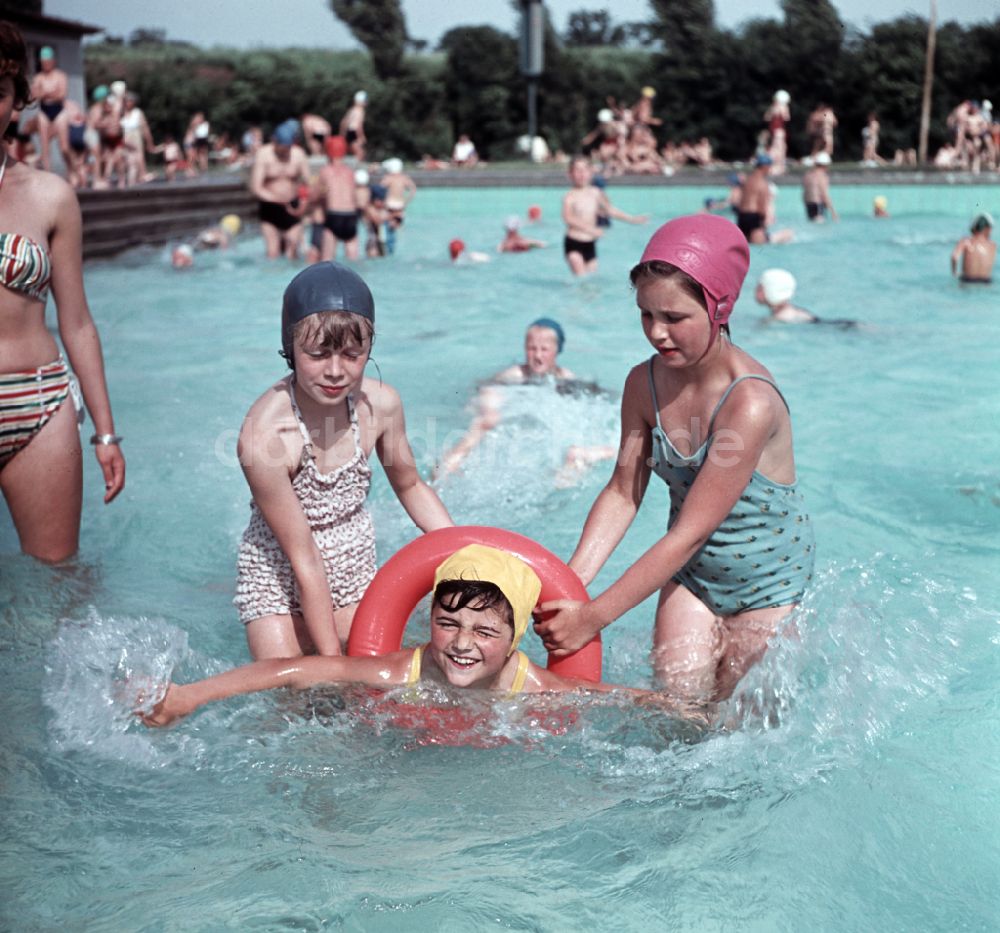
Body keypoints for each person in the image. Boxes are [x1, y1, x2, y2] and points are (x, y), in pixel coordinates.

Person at [534, 215, 815, 704]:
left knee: (738, 734)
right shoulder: (642, 385)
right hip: (694, 579)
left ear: (719, 307)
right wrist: (571, 586)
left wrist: (594, 618)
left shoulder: (748, 401)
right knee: (676, 716)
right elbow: (623, 492)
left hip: (769, 588)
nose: (657, 333)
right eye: (646, 315)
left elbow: (691, 532)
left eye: (674, 317)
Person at [140, 544, 703, 728]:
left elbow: (600, 696)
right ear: (429, 620)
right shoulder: (403, 670)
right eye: (448, 623)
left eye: (485, 631)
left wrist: (668, 707)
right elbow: (295, 670)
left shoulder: (526, 682)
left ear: (512, 641)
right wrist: (191, 694)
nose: (461, 643)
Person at [234, 262, 452, 661]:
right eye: (318, 354)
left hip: (353, 570)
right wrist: (332, 663)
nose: (335, 371)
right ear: (290, 347)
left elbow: (410, 486)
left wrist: (464, 554)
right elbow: (304, 559)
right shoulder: (266, 437)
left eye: (353, 355)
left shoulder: (381, 405)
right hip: (280, 579)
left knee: (371, 694)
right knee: (293, 702)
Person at [0, 22, 125, 561]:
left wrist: (105, 432)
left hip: (40, 403)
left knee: (56, 586)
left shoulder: (51, 195)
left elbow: (76, 321)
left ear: (14, 103)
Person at [562, 155, 648, 275]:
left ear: (591, 172)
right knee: (580, 276)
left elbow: (610, 210)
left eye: (585, 169)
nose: (581, 173)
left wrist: (632, 219)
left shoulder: (596, 193)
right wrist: (590, 229)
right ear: (570, 174)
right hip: (573, 243)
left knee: (590, 280)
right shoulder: (570, 196)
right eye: (577, 170)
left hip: (590, 244)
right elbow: (568, 218)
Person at [250, 120, 310, 260]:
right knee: (273, 253)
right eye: (282, 149)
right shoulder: (263, 155)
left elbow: (307, 183)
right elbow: (256, 188)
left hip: (292, 207)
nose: (285, 153)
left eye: (287, 149)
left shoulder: (298, 155)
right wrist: (278, 199)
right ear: (274, 142)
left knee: (292, 251)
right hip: (270, 209)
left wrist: (303, 203)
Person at [315, 135, 359, 261]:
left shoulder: (325, 171)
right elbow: (355, 196)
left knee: (327, 260)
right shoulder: (349, 172)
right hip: (351, 215)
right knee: (353, 260)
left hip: (334, 215)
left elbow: (316, 195)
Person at [28, 45, 67, 173]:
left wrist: (44, 93)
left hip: (59, 111)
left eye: (48, 62)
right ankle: (48, 172)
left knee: (64, 147)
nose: (46, 65)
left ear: (53, 61)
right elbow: (34, 96)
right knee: (44, 145)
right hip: (44, 112)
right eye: (44, 63)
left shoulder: (60, 76)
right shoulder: (39, 78)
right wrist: (49, 93)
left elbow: (62, 95)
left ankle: (72, 169)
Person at [380, 158, 416, 254]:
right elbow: (413, 189)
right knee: (395, 230)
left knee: (387, 229)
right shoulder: (404, 178)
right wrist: (406, 201)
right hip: (400, 206)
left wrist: (382, 202)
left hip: (390, 206)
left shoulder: (388, 178)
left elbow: (380, 190)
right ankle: (393, 250)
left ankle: (387, 249)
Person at [950, 213, 996, 284]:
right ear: (988, 229)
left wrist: (954, 273)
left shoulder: (966, 242)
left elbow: (954, 257)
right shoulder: (993, 246)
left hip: (967, 280)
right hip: (986, 282)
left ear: (974, 228)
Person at [801, 152, 838, 222]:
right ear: (825, 165)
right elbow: (825, 194)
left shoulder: (807, 175)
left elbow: (804, 192)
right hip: (818, 204)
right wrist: (833, 212)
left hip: (808, 204)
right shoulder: (823, 176)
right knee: (820, 228)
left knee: (812, 228)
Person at [763, 90, 790, 174]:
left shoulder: (772, 107)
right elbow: (787, 118)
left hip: (774, 131)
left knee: (777, 148)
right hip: (779, 131)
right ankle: (776, 168)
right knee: (779, 150)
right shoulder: (783, 107)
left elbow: (766, 118)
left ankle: (774, 167)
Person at [339, 90, 367, 161]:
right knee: (360, 153)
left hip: (349, 131)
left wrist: (342, 133)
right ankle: (358, 168)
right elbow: (359, 125)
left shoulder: (351, 110)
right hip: (354, 132)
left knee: (351, 151)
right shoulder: (360, 111)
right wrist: (361, 136)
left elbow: (343, 122)